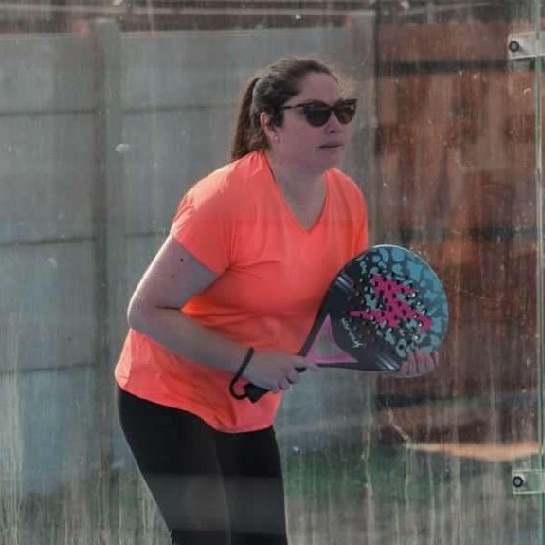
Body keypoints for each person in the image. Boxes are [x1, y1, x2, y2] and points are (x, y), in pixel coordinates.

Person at [114, 56, 437, 545]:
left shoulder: (348, 200)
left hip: (248, 403)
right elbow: (145, 312)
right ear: (270, 125)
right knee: (207, 537)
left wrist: (397, 352)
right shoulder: (224, 201)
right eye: (315, 113)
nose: (335, 124)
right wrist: (248, 361)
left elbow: (346, 317)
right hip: (168, 395)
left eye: (344, 110)